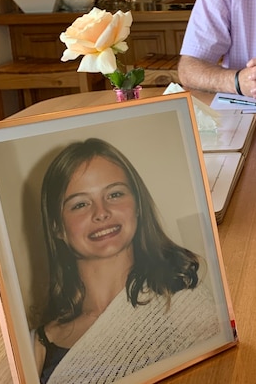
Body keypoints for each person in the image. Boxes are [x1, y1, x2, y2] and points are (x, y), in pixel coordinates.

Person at [33, 138, 222, 384]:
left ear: (138, 206)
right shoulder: (38, 344)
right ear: (58, 227)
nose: (101, 212)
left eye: (114, 194)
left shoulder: (187, 303)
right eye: (80, 204)